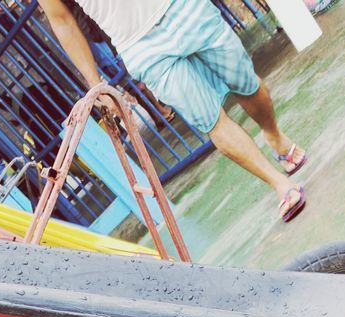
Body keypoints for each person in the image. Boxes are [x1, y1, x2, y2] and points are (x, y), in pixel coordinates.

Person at [40, 0, 308, 222]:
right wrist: (96, 84)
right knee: (210, 120)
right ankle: (279, 185)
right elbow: (63, 21)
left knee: (246, 84)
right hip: (140, 47)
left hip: (181, 6)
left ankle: (273, 134)